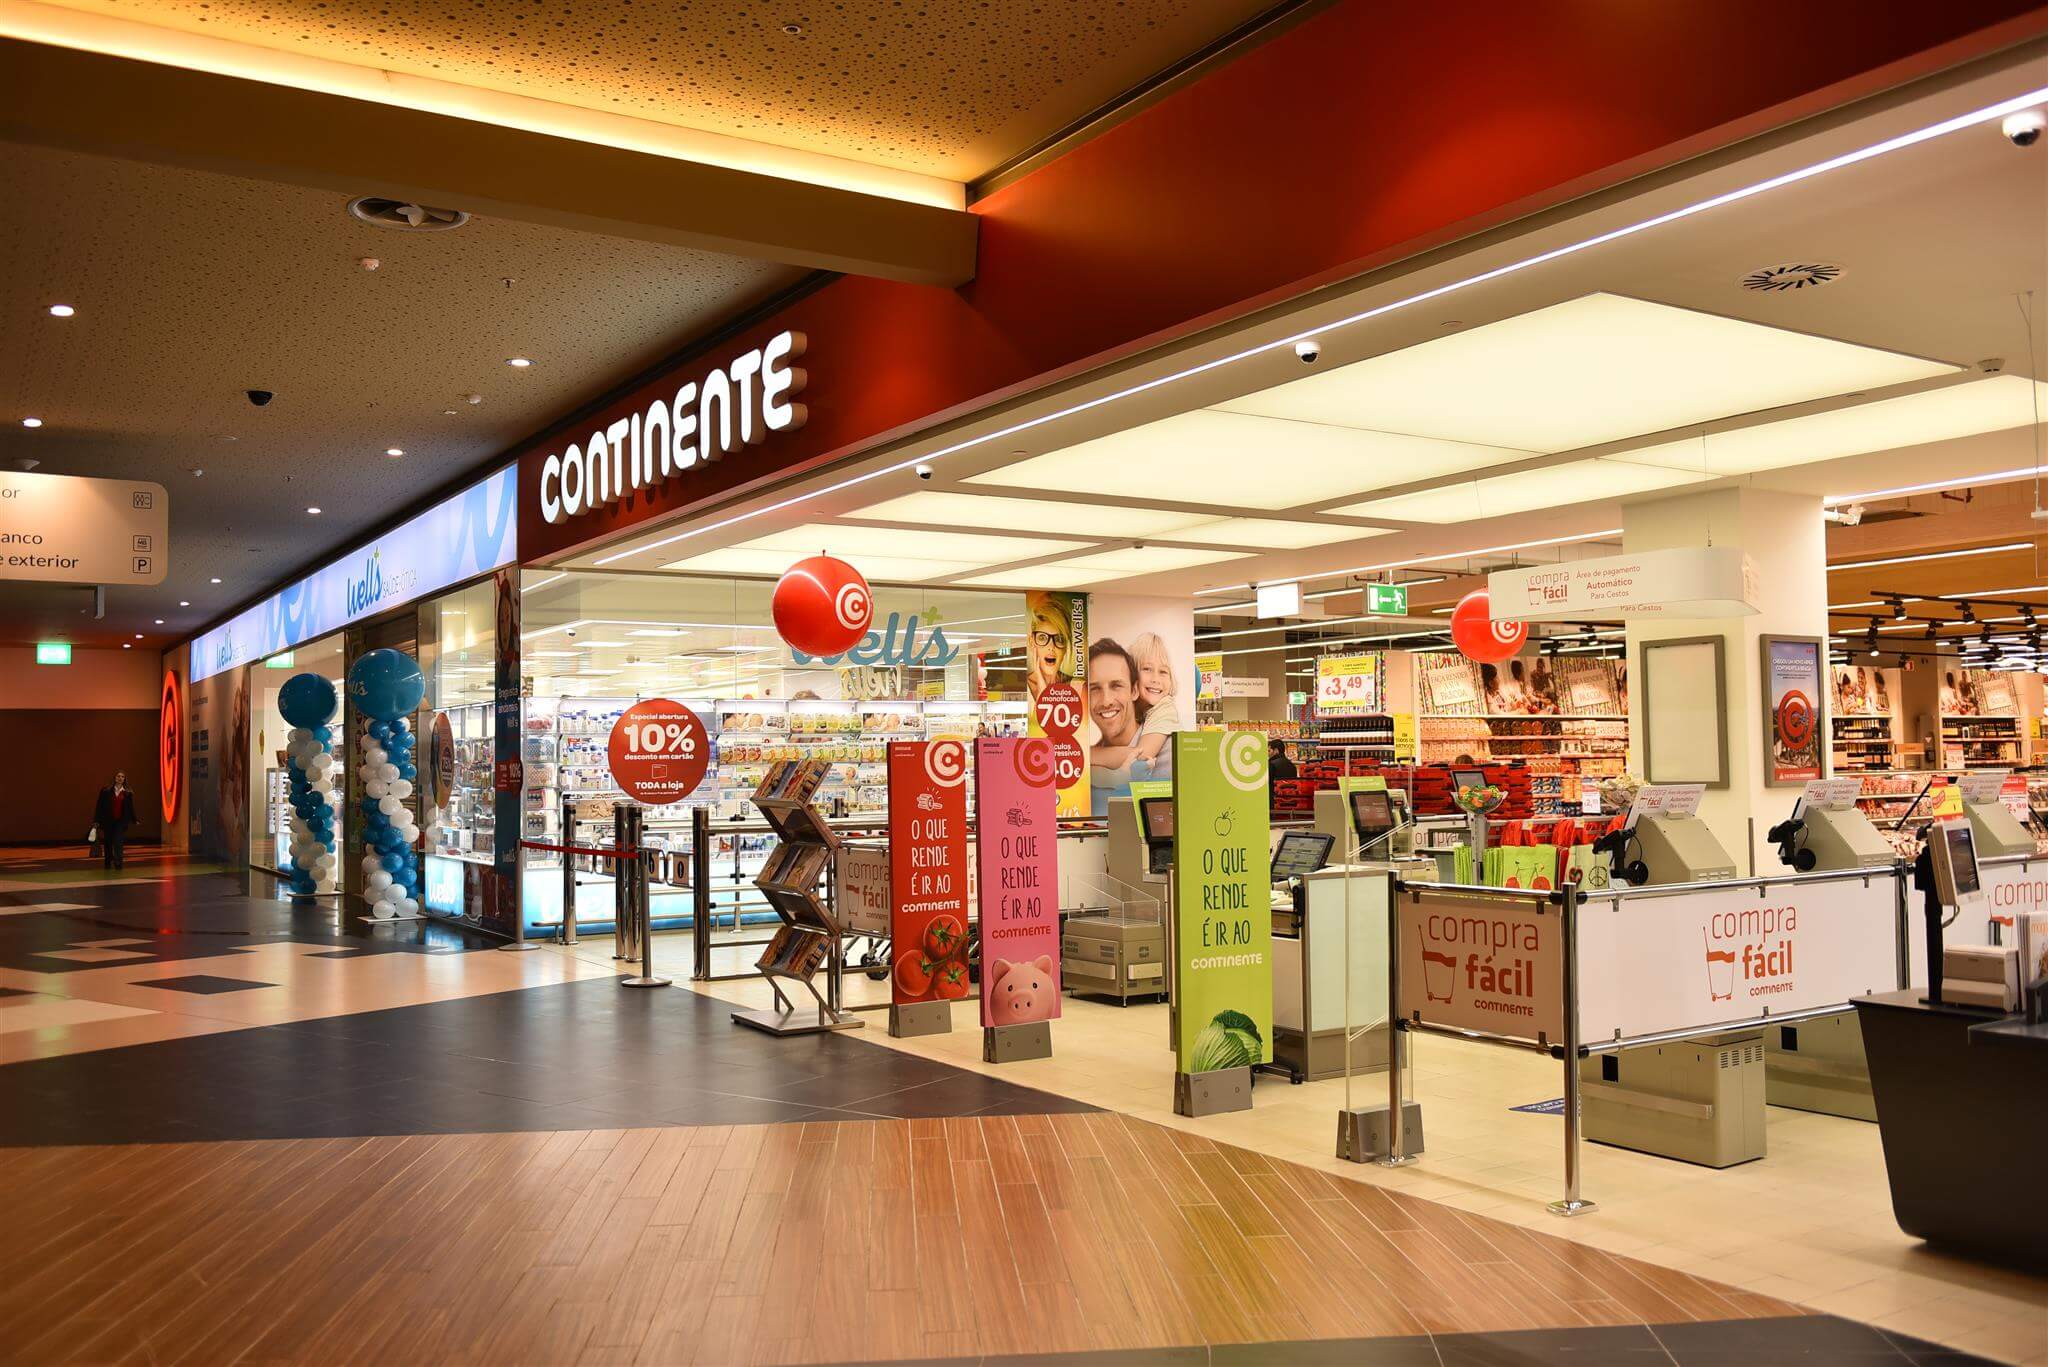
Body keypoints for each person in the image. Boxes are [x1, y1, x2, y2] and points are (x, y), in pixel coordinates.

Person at [94, 771, 137, 870]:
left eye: (122, 776)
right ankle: (108, 862)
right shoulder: (105, 791)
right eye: (118, 776)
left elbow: (130, 807)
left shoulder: (127, 793)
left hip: (120, 822)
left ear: (124, 779)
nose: (120, 778)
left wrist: (135, 819)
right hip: (108, 821)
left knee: (118, 842)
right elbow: (99, 806)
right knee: (108, 842)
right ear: (114, 778)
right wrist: (96, 820)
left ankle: (118, 863)